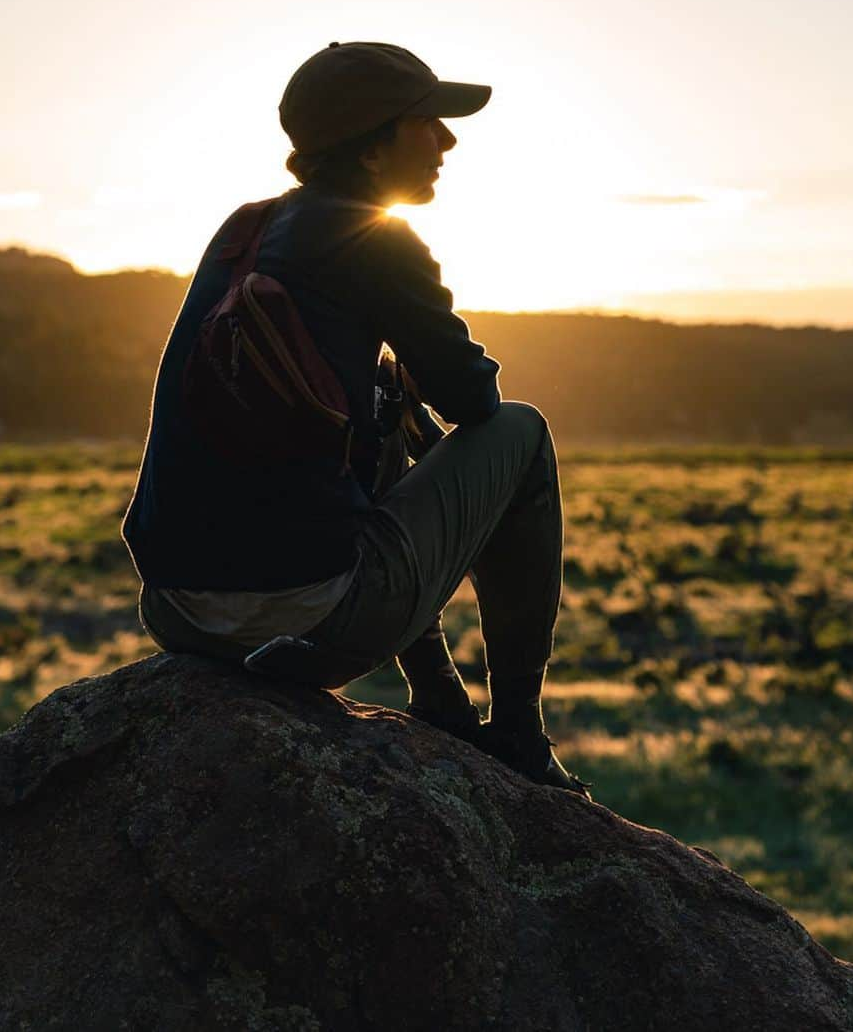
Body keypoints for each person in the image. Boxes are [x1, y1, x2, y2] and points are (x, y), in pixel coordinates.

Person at [122, 40, 591, 798]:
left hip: (175, 610)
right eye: (426, 122)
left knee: (379, 394)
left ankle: (439, 699)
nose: (447, 140)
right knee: (524, 433)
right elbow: (476, 404)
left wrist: (383, 387)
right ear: (373, 150)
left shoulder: (242, 231)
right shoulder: (378, 240)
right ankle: (518, 737)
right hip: (312, 618)